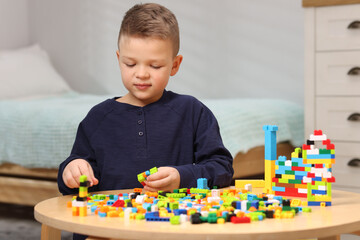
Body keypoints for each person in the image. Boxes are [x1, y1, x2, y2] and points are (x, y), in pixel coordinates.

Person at [58, 3, 234, 197]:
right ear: (119, 59)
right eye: (130, 64)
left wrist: (180, 177)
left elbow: (222, 168)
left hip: (173, 223)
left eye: (155, 66)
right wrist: (72, 170)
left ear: (175, 65)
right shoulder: (98, 117)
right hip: (111, 224)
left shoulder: (191, 111)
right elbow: (74, 183)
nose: (141, 74)